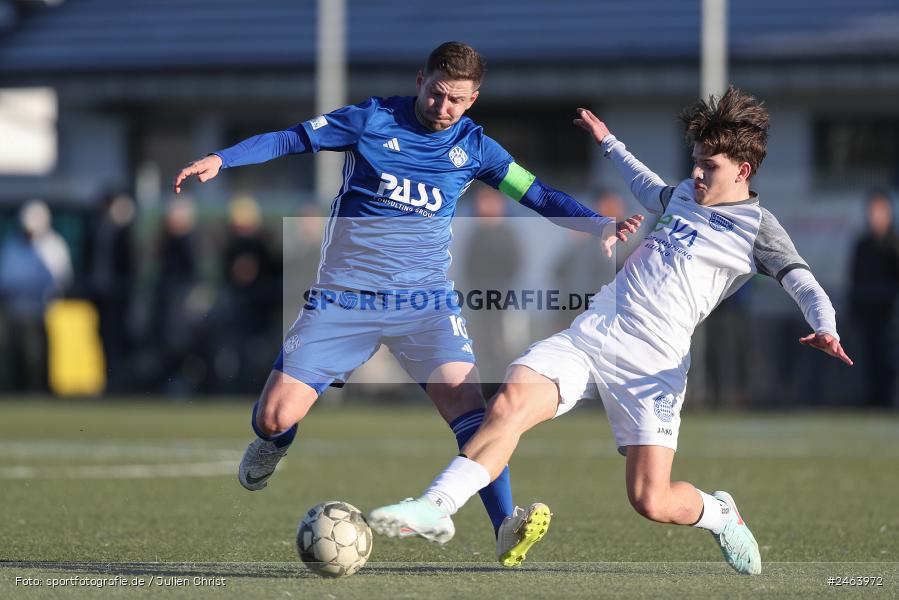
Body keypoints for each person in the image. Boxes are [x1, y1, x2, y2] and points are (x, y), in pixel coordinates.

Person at [172, 41, 642, 566]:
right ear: (421, 80)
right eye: (438, 94)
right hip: (344, 298)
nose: (444, 108)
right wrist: (223, 158)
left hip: (425, 303)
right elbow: (292, 138)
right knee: (276, 415)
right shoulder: (371, 119)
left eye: (457, 100)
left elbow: (537, 193)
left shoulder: (476, 148)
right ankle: (273, 442)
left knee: (473, 411)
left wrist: (598, 223)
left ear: (473, 99)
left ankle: (505, 526)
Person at [368, 87, 854, 575]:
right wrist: (608, 141)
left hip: (654, 363)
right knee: (510, 402)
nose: (698, 173)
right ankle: (436, 506)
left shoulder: (758, 229)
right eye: (696, 161)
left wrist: (826, 326)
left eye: (710, 165)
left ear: (743, 172)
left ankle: (720, 512)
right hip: (594, 332)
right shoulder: (685, 193)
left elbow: (804, 283)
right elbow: (647, 187)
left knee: (651, 499)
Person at [0, 200, 73, 392]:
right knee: (13, 353)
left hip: (43, 310)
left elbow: (60, 278)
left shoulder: (53, 245)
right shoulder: (13, 246)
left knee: (39, 353)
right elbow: (6, 278)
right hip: (15, 309)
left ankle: (41, 389)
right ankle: (14, 389)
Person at [849, 188, 899, 408]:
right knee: (869, 358)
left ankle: (889, 399)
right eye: (872, 211)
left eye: (879, 211)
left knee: (888, 358)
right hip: (869, 315)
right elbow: (855, 278)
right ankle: (873, 399)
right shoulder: (862, 245)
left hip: (890, 316)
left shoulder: (894, 244)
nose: (875, 216)